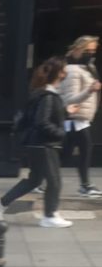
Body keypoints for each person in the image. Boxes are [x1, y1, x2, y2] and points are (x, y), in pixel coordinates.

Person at [0, 57, 78, 228]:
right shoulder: (48, 96)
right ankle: (50, 216)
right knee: (54, 181)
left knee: (35, 180)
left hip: (36, 144)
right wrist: (60, 133)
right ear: (59, 73)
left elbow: (42, 118)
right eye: (64, 70)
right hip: (44, 145)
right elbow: (41, 122)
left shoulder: (43, 94)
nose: (66, 73)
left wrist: (65, 112)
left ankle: (0, 204)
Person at [59, 35, 102, 197]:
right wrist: (90, 90)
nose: (91, 54)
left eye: (93, 50)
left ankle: (37, 179)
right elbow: (70, 99)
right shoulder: (72, 71)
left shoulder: (87, 67)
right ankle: (85, 185)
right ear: (78, 49)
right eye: (88, 50)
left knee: (65, 154)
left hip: (81, 118)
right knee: (85, 150)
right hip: (75, 120)